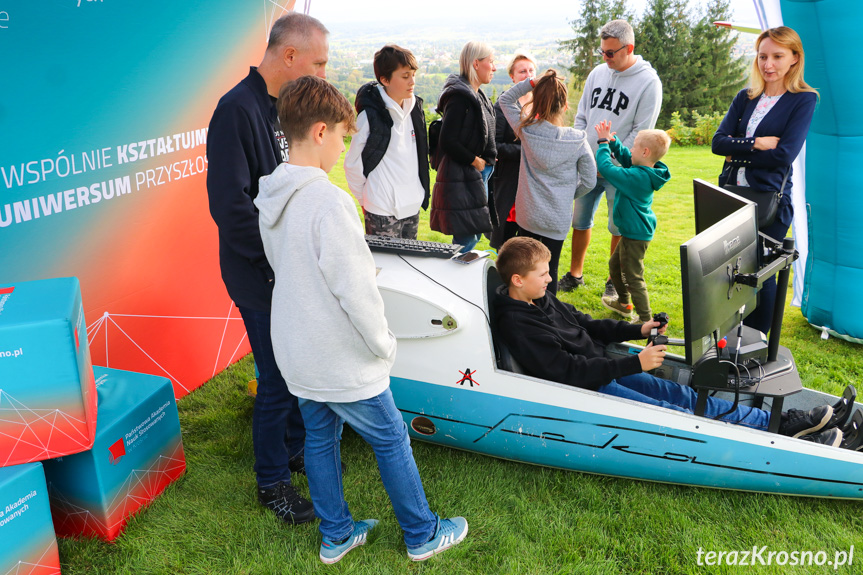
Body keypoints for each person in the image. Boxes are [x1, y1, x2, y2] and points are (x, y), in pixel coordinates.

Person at [254, 76, 468, 564]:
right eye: (343, 137)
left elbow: (292, 265)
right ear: (322, 131)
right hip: (339, 352)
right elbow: (355, 290)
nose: (344, 147)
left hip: (298, 346)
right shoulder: (328, 201)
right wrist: (383, 343)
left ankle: (337, 534)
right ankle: (422, 533)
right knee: (391, 437)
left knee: (320, 438)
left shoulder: (271, 194)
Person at [493, 237, 843, 446]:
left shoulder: (539, 298)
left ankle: (779, 424)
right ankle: (784, 438)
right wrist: (635, 362)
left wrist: (638, 329)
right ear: (517, 279)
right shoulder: (519, 324)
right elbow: (567, 371)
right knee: (674, 413)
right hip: (588, 388)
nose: (550, 278)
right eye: (543, 274)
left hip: (602, 369)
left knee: (687, 396)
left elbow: (586, 323)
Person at [206, 12, 329, 524]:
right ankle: (272, 481)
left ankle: (296, 449)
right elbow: (230, 208)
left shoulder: (288, 106)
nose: (323, 73)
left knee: (297, 366)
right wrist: (279, 257)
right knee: (276, 377)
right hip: (259, 274)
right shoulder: (236, 110)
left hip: (290, 267)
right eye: (319, 63)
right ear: (290, 56)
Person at [712, 26, 818, 334]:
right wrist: (757, 143)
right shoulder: (745, 98)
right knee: (727, 270)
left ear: (794, 59)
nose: (768, 65)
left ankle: (758, 340)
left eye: (777, 56)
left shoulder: (803, 100)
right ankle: (730, 335)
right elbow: (718, 143)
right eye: (762, 57)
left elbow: (784, 155)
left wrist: (738, 150)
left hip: (770, 200)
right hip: (732, 196)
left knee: (762, 271)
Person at [559, 20, 662, 297]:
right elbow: (582, 116)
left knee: (619, 226)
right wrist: (582, 154)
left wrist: (610, 164)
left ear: (629, 48)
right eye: (602, 52)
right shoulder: (597, 73)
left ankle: (613, 281)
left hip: (621, 171)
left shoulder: (648, 82)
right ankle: (574, 274)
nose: (604, 58)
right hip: (587, 166)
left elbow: (641, 132)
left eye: (610, 53)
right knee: (579, 221)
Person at [498, 70, 596, 294]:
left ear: (536, 103)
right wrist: (566, 195)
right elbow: (589, 181)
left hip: (528, 215)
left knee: (523, 268)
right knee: (548, 272)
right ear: (564, 106)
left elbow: (505, 99)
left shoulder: (526, 130)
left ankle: (520, 308)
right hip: (556, 220)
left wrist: (532, 82)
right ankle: (548, 317)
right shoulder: (578, 140)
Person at [344, 45, 430, 239]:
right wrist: (366, 201)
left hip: (411, 205)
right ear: (384, 80)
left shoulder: (416, 108)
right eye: (405, 76)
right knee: (387, 267)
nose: (412, 81)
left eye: (413, 75)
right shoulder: (370, 115)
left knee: (409, 266)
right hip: (381, 210)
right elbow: (351, 164)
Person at [593, 120, 671, 323]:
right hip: (633, 231)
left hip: (635, 235)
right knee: (615, 265)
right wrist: (613, 142)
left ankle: (646, 320)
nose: (631, 149)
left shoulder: (637, 177)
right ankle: (624, 304)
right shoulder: (645, 170)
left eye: (634, 145)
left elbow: (607, 169)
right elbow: (627, 159)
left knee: (633, 277)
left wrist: (602, 144)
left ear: (645, 152)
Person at [430, 41, 497, 253]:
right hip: (465, 174)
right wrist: (475, 160)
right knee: (467, 236)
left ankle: (459, 275)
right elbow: (448, 140)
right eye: (491, 62)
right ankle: (455, 277)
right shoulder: (460, 97)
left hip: (476, 174)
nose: (494, 68)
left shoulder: (477, 94)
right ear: (476, 64)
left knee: (473, 233)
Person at [489, 50, 537, 250]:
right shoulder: (503, 105)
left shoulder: (542, 103)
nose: (527, 75)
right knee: (506, 242)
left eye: (531, 70)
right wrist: (526, 151)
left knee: (531, 244)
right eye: (522, 71)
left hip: (535, 182)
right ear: (512, 77)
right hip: (509, 181)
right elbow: (494, 146)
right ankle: (503, 279)